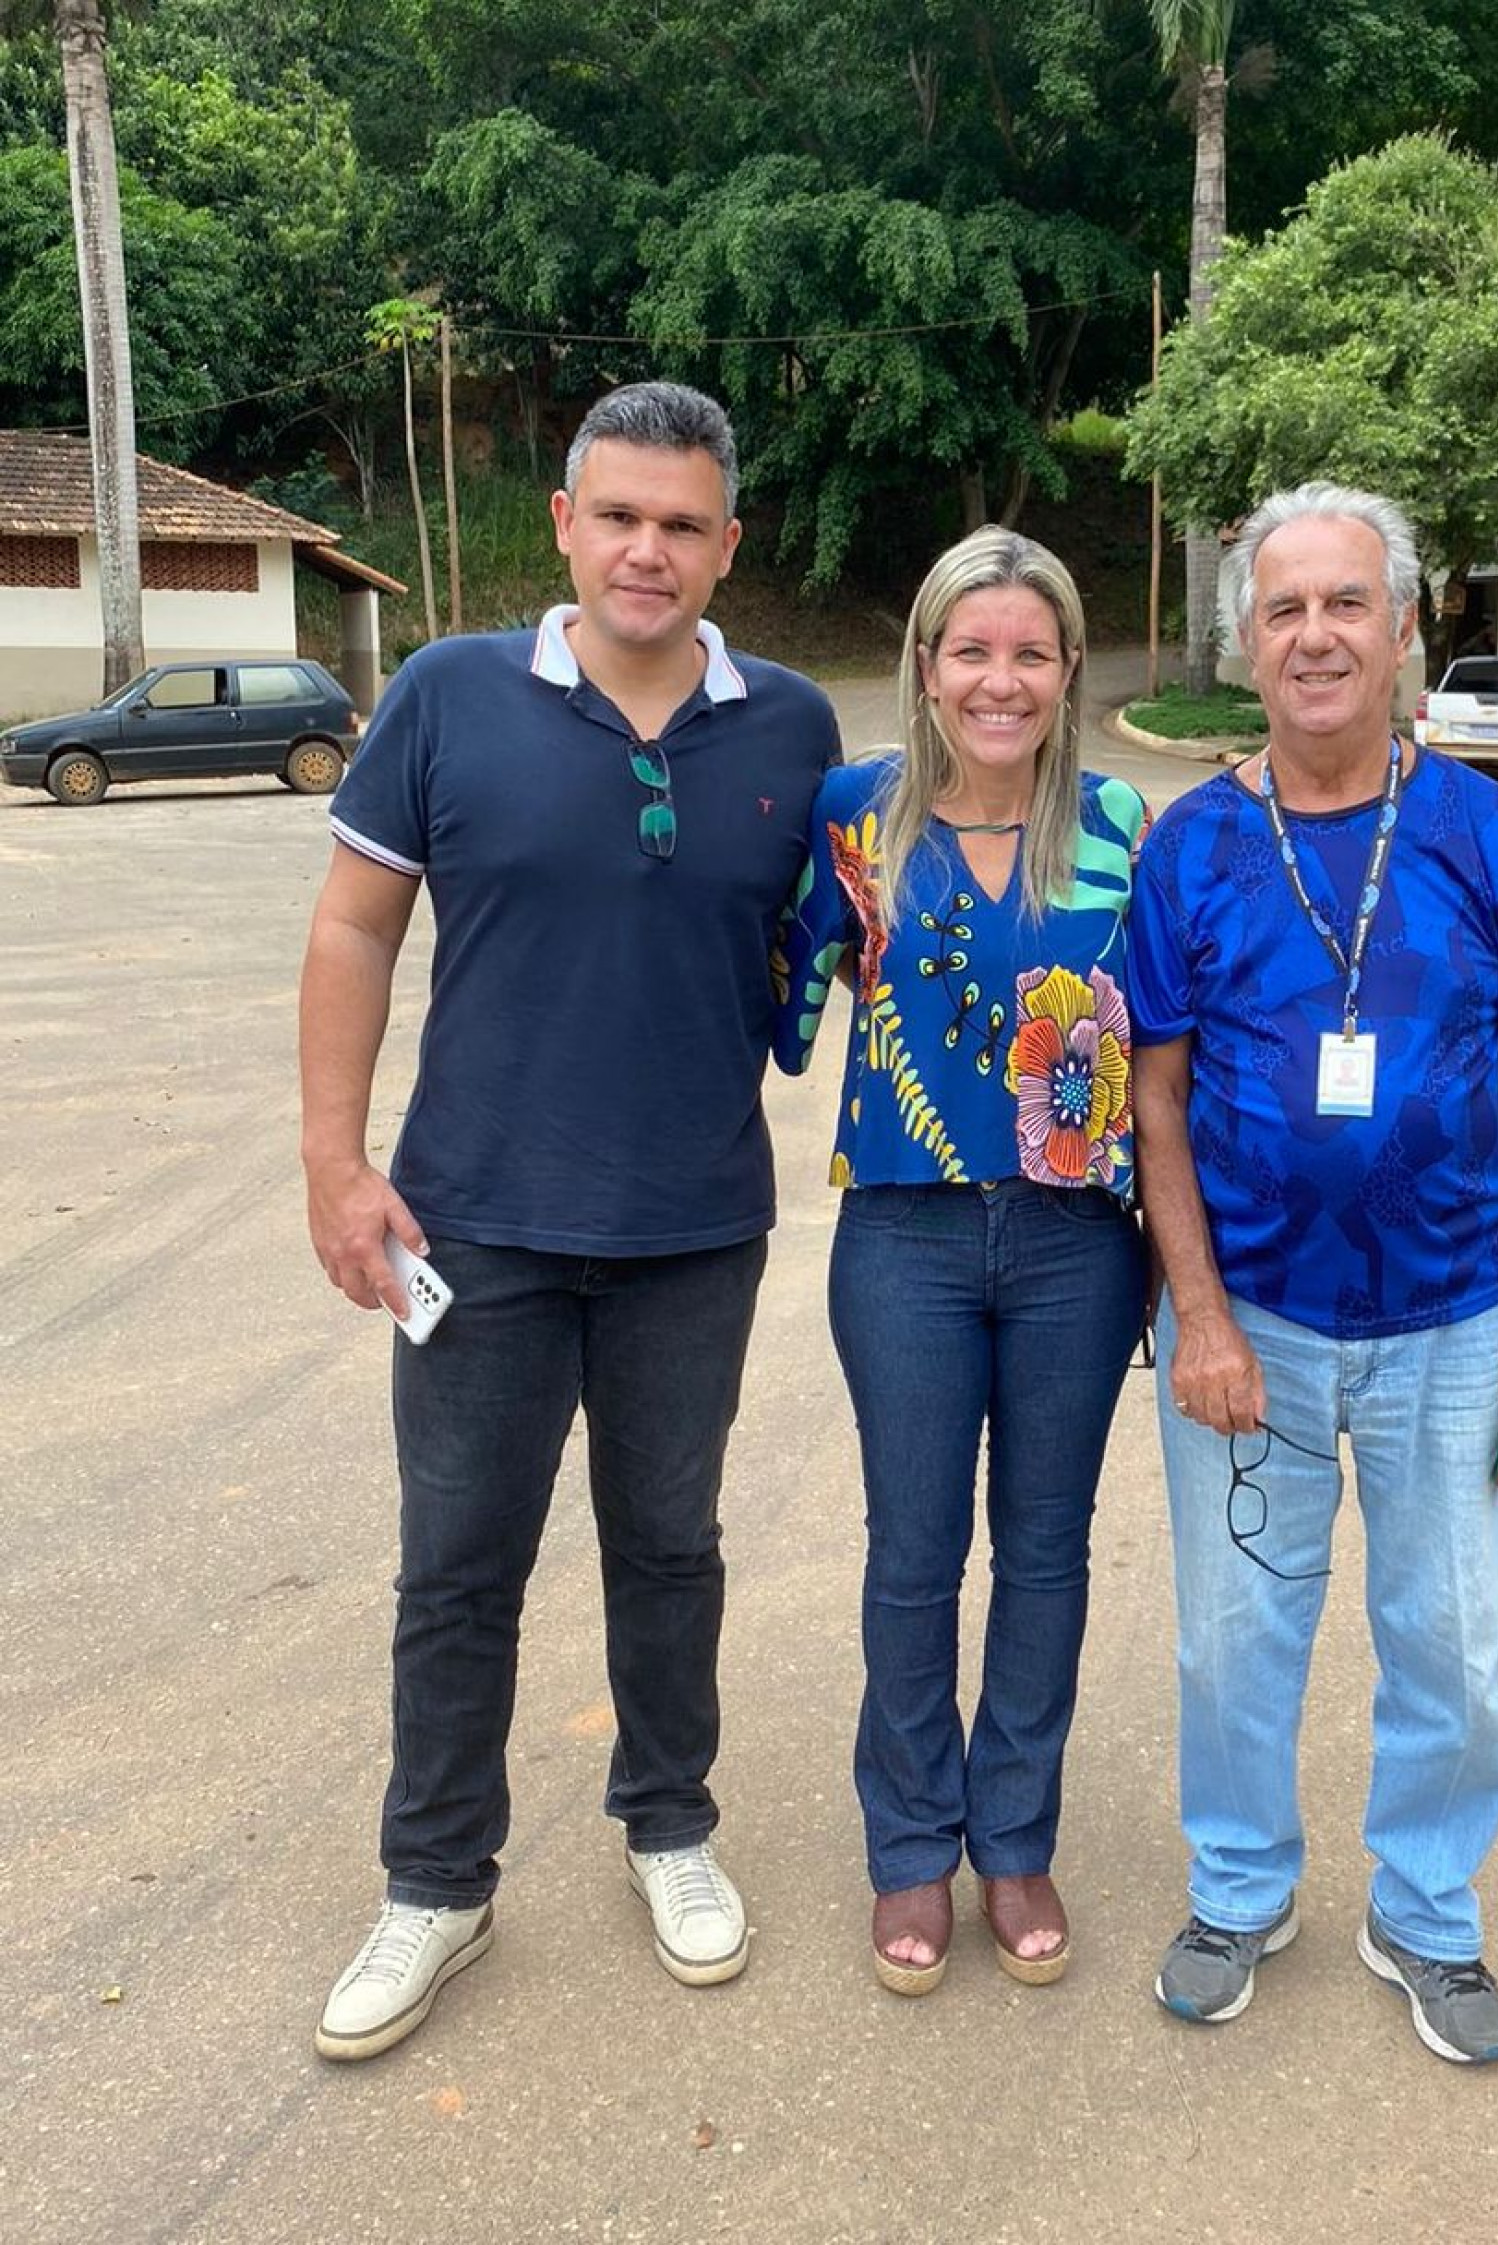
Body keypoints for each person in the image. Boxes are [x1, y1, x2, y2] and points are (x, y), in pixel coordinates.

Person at [299, 381, 840, 2061]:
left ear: (727, 543)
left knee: (670, 1547)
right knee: (459, 1566)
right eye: (618, 515)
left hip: (693, 1229)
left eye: (683, 523)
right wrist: (335, 1161)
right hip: (474, 1226)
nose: (647, 550)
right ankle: (436, 1879)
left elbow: (821, 944)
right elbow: (352, 934)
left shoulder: (795, 726)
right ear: (563, 521)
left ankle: (669, 1824)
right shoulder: (451, 695)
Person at [1129, 481, 1498, 2065]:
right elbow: (1156, 1095)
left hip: (1460, 1320)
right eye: (1285, 609)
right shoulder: (1194, 843)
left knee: (1454, 1640)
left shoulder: (1489, 832)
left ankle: (1424, 1912)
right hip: (1250, 1319)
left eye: (1348, 604)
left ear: (1407, 630)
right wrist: (1194, 1312)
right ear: (1245, 641)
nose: (1317, 635)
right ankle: (1243, 1885)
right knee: (1234, 1635)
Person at [772, 527, 1149, 1995]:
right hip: (906, 1236)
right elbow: (773, 986)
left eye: (1032, 652)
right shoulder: (853, 819)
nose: (1002, 679)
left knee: (1047, 1553)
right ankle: (911, 1847)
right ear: (925, 666)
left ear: (1067, 669)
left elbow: (1180, 1047)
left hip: (1077, 1245)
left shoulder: (1126, 824)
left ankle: (1014, 1836)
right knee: (914, 1556)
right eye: (971, 650)